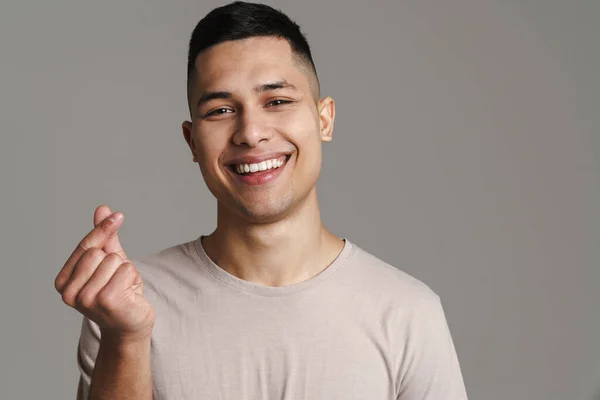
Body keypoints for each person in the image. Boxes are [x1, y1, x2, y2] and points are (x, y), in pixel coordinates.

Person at [54, 1, 468, 399]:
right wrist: (126, 338)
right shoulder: (130, 304)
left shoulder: (407, 313)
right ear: (191, 141)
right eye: (220, 110)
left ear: (324, 120)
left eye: (277, 102)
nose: (251, 132)